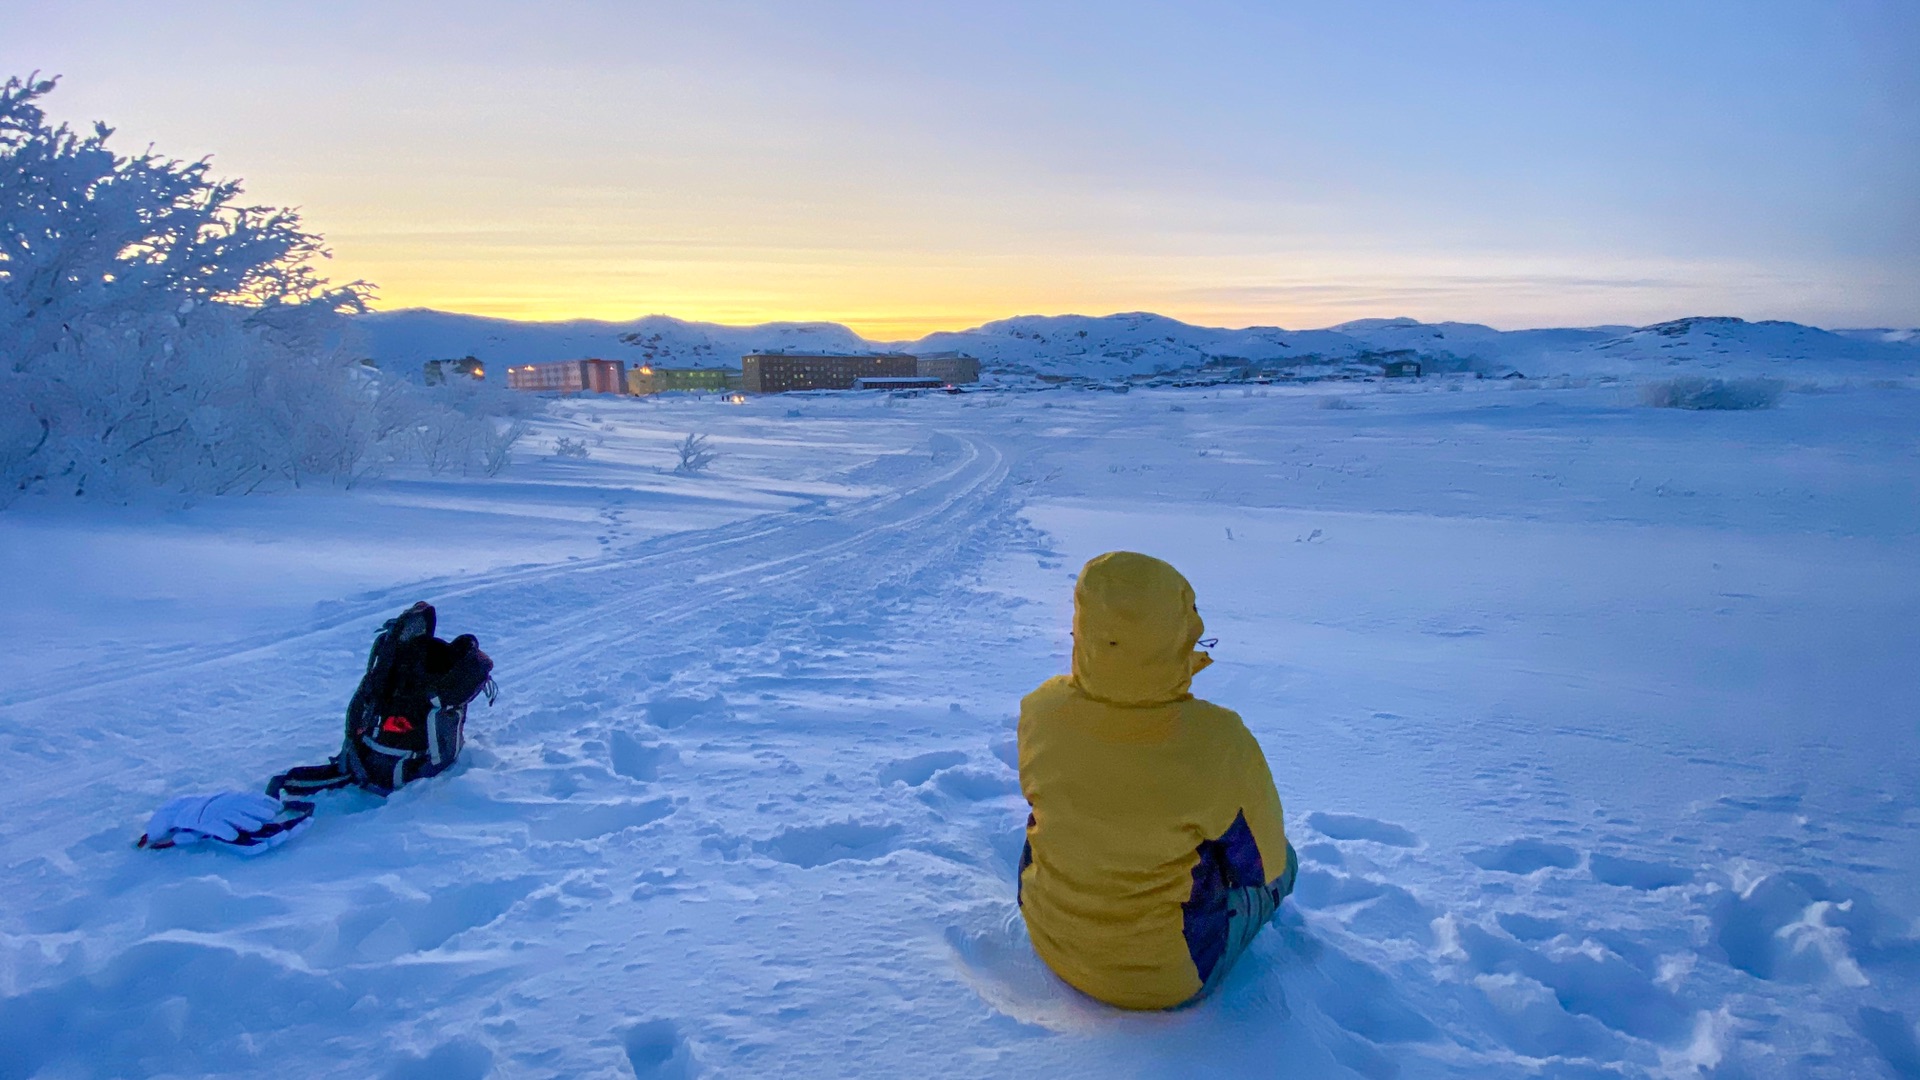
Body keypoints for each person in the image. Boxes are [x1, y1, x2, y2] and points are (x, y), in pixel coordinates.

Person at [1017, 551, 1295, 1010]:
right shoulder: (1220, 741)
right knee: (1290, 862)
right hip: (1169, 976)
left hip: (1050, 938)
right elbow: (1263, 867)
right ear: (1180, 632)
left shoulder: (1040, 709)